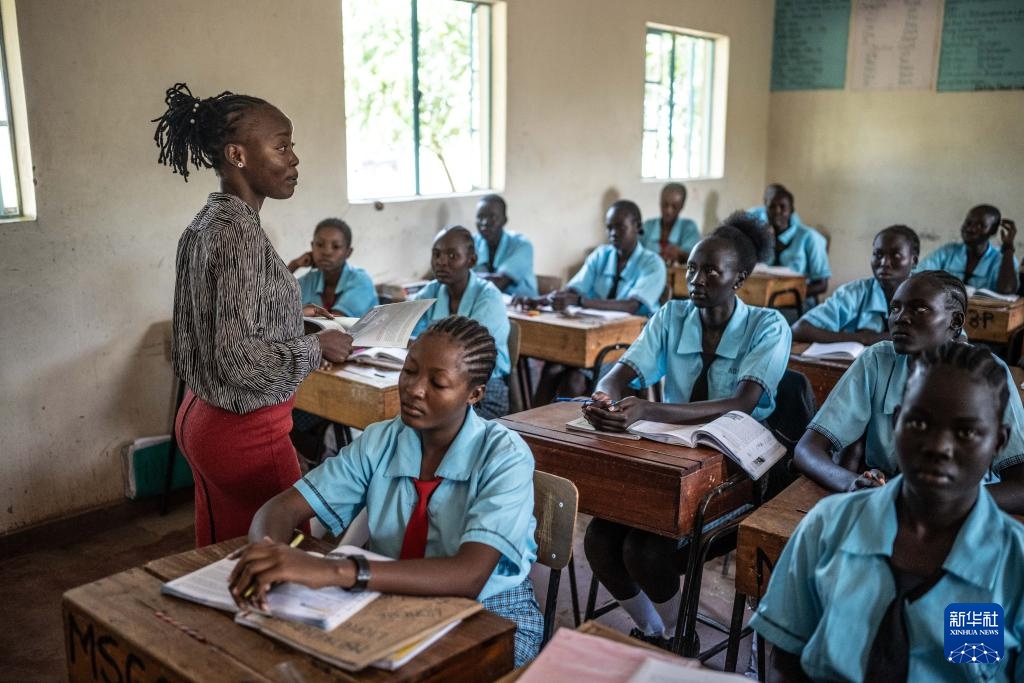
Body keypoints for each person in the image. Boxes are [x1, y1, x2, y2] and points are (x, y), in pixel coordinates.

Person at [227, 317, 543, 667]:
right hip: (392, 595)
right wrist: (268, 556)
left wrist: (338, 571)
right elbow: (282, 509)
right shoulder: (381, 440)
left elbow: (469, 575)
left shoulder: (505, 456)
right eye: (409, 371)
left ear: (475, 394)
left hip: (492, 614)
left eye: (438, 383)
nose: (415, 389)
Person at [751, 343, 1024, 682]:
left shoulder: (1014, 563)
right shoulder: (827, 527)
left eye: (966, 432)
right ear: (897, 424)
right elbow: (785, 665)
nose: (939, 447)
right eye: (920, 423)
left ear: (998, 442)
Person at [155, 83, 352, 547]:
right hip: (246, 432)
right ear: (238, 155)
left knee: (224, 560)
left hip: (201, 418)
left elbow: (214, 320)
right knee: (284, 563)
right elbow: (239, 359)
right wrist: (316, 345)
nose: (294, 159)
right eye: (282, 146)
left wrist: (288, 310)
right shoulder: (239, 235)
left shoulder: (208, 223)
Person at [581, 212, 791, 646]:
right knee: (600, 539)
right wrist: (604, 395)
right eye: (692, 268)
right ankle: (656, 629)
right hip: (671, 462)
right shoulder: (672, 315)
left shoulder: (767, 325)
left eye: (711, 270)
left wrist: (649, 412)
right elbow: (619, 373)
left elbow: (741, 404)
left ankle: (680, 634)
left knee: (646, 550)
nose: (695, 278)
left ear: (739, 278)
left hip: (735, 473)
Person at [794, 270, 1024, 514]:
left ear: (955, 321)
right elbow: (807, 450)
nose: (901, 318)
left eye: (920, 309)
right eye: (895, 308)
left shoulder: (986, 372)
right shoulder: (877, 360)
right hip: (887, 500)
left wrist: (940, 504)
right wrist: (852, 483)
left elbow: (1020, 486)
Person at [526, 200, 667, 403]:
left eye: (620, 227)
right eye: (609, 227)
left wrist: (581, 301)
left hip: (629, 345)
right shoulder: (601, 255)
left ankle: (569, 430)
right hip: (593, 339)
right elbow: (574, 288)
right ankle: (531, 425)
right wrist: (546, 300)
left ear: (638, 226)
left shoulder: (652, 263)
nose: (613, 233)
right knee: (552, 367)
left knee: (574, 378)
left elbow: (631, 305)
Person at [411, 226, 511, 419]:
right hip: (437, 382)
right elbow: (408, 331)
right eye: (436, 254)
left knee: (425, 417)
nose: (441, 262)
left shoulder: (488, 297)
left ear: (471, 260)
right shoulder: (431, 291)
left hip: (483, 389)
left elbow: (472, 354)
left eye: (452, 256)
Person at [791, 225, 919, 344]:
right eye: (878, 255)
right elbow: (800, 329)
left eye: (896, 255)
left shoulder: (924, 296)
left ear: (913, 261)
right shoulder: (855, 292)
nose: (884, 262)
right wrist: (865, 338)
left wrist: (868, 338)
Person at [287, 217, 378, 318]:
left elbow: (335, 323)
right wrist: (293, 265)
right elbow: (274, 304)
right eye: (320, 244)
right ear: (312, 247)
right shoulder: (309, 280)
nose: (326, 252)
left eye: (336, 246)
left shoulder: (361, 280)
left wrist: (298, 315)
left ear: (348, 252)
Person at [918, 205, 1018, 294]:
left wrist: (1008, 248)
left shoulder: (1002, 259)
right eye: (968, 223)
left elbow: (1007, 290)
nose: (971, 229)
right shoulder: (948, 252)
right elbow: (919, 276)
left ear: (993, 231)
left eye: (980, 225)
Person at [761, 187, 830, 300]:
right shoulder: (764, 237)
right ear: (765, 210)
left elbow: (822, 285)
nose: (777, 211)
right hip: (767, 303)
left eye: (782, 207)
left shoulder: (809, 237)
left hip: (798, 306)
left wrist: (785, 297)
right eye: (771, 206)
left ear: (791, 210)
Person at [472, 194, 538, 298]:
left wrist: (465, 277)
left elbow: (498, 283)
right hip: (486, 304)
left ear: (504, 220)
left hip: (523, 310)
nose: (484, 222)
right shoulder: (471, 243)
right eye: (480, 217)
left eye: (492, 217)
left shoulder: (522, 245)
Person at [640, 183, 700, 264]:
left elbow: (695, 257)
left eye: (674, 206)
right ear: (660, 202)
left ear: (681, 206)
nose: (669, 210)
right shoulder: (647, 226)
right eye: (665, 205)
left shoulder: (689, 228)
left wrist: (680, 254)